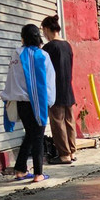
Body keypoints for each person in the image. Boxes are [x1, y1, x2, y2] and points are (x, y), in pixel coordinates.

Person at [1, 23, 57, 183]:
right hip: (38, 102)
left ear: (23, 38)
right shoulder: (42, 55)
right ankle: (38, 173)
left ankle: (20, 169)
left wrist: (7, 97)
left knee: (30, 135)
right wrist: (50, 101)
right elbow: (49, 81)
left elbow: (11, 79)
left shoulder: (16, 55)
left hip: (21, 103)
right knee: (37, 136)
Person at [41, 15, 76, 165]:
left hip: (54, 90)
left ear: (47, 29)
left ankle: (64, 155)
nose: (44, 34)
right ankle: (72, 152)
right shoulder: (67, 45)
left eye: (43, 31)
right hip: (68, 88)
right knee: (69, 121)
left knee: (57, 123)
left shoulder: (49, 47)